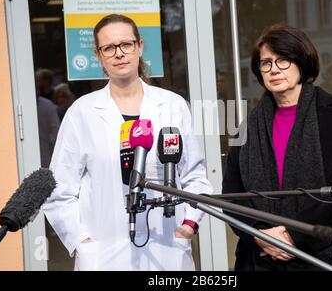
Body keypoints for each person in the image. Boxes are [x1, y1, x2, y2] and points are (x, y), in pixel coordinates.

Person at [42, 14, 213, 271]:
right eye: (109, 47)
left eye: (126, 44)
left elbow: (194, 177)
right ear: (98, 55)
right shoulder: (82, 112)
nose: (119, 53)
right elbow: (59, 189)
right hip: (104, 252)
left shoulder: (172, 105)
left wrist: (189, 224)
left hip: (166, 246)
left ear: (140, 46)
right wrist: (81, 240)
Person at [222, 24, 332, 271]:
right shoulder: (248, 126)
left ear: (301, 62)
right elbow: (232, 193)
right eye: (266, 63)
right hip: (262, 260)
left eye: (283, 60)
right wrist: (259, 234)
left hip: (325, 256)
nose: (274, 70)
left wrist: (294, 236)